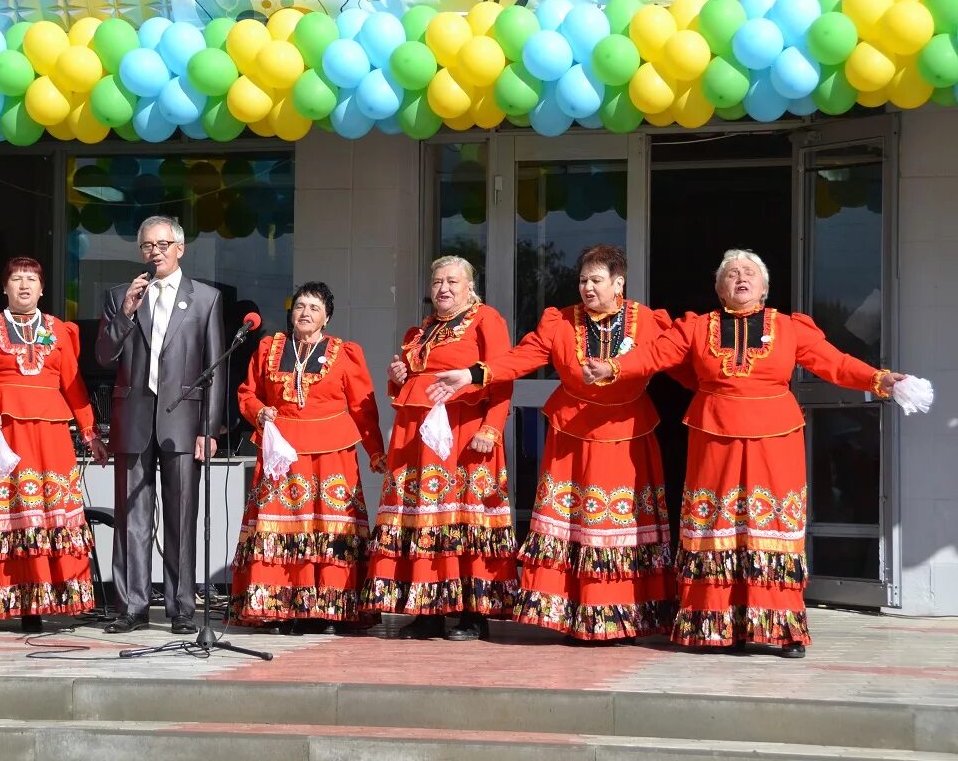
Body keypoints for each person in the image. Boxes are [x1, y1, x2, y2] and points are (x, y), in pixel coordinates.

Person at [583, 249, 906, 658]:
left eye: (749, 272)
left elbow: (834, 363)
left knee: (770, 528)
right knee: (714, 525)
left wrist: (878, 379)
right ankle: (714, 626)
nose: (740, 277)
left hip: (775, 439)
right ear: (719, 289)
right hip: (713, 435)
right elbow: (654, 355)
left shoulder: (790, 328)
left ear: (764, 288)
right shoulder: (698, 328)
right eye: (731, 273)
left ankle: (782, 629)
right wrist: (614, 367)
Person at [429, 245, 681, 643]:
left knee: (622, 524)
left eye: (596, 280)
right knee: (574, 524)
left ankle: (627, 616)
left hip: (627, 431)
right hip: (572, 435)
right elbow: (522, 357)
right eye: (582, 280)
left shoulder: (648, 322)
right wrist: (477, 374)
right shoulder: (560, 322)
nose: (587, 287)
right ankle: (573, 616)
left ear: (619, 283)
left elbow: (679, 359)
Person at [0, 257, 109, 633]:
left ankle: (33, 605)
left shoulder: (60, 331)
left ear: (42, 288)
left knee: (42, 513)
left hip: (50, 434)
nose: (24, 286)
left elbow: (72, 385)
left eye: (31, 280)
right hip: (2, 428)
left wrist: (90, 433)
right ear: (4, 287)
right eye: (17, 279)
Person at [361, 256, 516, 641]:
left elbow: (502, 378)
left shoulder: (486, 319)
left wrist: (492, 428)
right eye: (436, 282)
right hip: (417, 439)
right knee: (420, 518)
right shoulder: (424, 328)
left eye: (451, 281)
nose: (442, 288)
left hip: (463, 434)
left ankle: (470, 614)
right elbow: (409, 385)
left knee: (462, 520)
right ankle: (427, 610)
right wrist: (399, 378)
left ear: (469, 286)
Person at [231, 282, 387, 635]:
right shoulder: (269, 348)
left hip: (332, 453)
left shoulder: (344, 353)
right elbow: (247, 393)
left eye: (314, 308)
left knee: (328, 528)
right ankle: (278, 608)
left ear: (326, 317)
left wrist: (376, 451)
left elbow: (364, 407)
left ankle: (329, 610)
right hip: (281, 452)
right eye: (300, 306)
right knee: (282, 529)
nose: (305, 313)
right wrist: (259, 412)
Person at [95, 215, 224, 635]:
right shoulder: (121, 296)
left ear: (180, 249)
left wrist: (210, 428)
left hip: (184, 420)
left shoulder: (205, 298)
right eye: (148, 246)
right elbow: (103, 355)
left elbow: (215, 369)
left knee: (181, 516)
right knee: (132, 515)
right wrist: (126, 314)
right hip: (133, 417)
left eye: (163, 244)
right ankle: (131, 606)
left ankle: (182, 606)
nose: (156, 253)